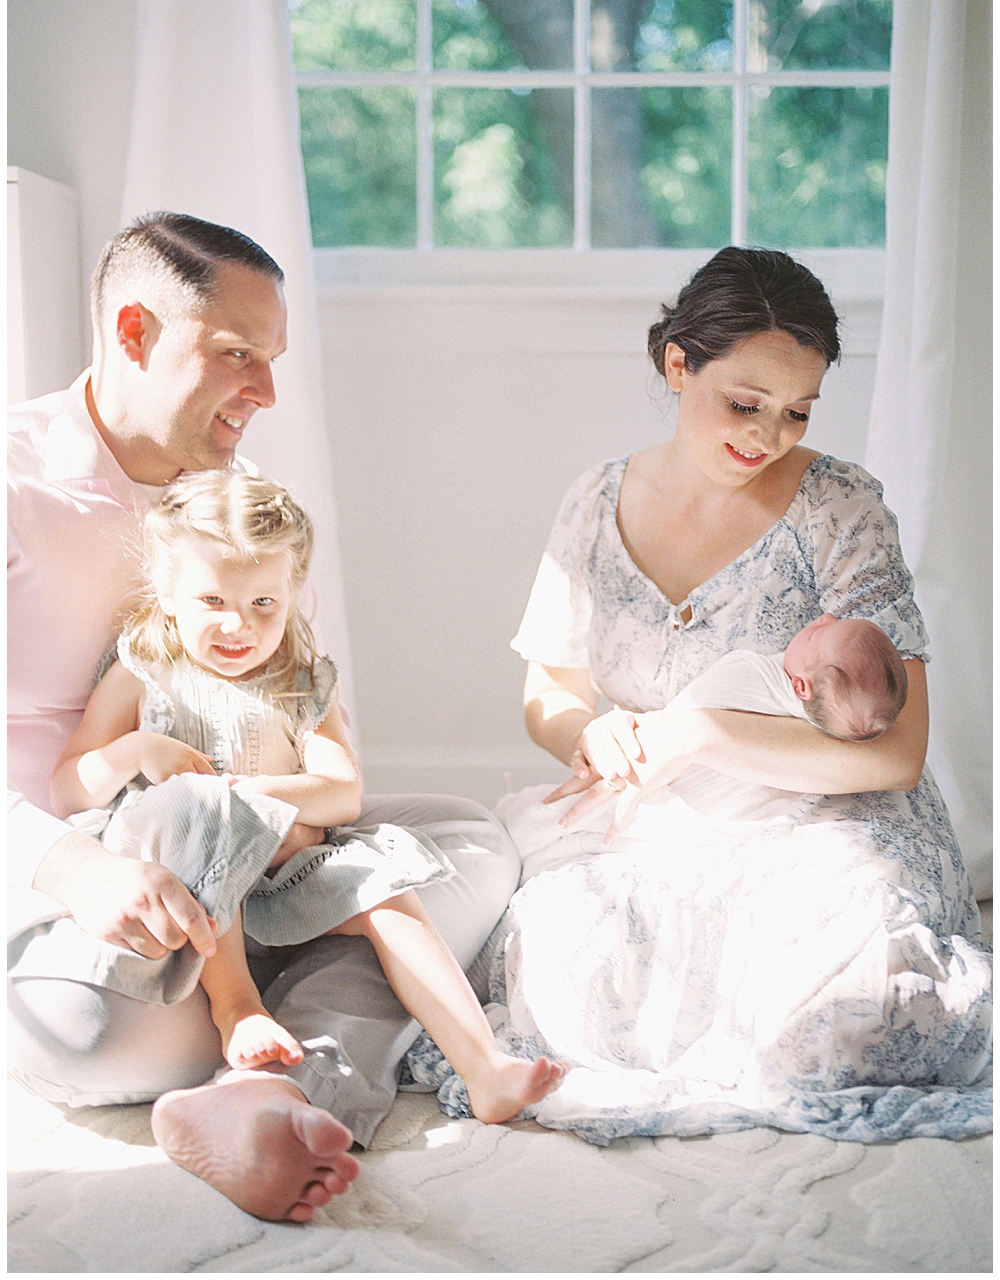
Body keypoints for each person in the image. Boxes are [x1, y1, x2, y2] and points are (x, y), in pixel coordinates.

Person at [8, 212, 520, 1222]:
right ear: (135, 331)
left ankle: (267, 1081)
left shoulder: (242, 517)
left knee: (472, 842)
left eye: (274, 360)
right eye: (238, 354)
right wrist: (76, 866)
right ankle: (281, 1024)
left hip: (252, 865)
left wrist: (284, 812)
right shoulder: (12, 485)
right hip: (73, 904)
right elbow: (80, 788)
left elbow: (304, 727)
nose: (267, 392)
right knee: (84, 1028)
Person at [493, 247, 990, 1142]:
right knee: (564, 950)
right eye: (744, 403)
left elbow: (896, 751)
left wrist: (706, 733)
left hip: (830, 818)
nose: (767, 436)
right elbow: (547, 690)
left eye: (796, 411)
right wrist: (592, 732)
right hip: (661, 820)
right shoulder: (592, 503)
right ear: (678, 363)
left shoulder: (842, 509)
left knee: (862, 980)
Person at [48, 470, 566, 1122]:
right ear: (168, 591)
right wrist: (137, 753)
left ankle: (483, 1064)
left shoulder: (298, 679)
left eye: (264, 603)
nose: (239, 624)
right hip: (182, 883)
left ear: (293, 594)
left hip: (276, 880)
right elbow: (70, 787)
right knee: (208, 812)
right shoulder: (143, 668)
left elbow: (341, 793)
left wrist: (255, 805)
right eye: (213, 600)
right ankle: (238, 1006)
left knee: (386, 883)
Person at [498, 612, 909, 884]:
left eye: (820, 632)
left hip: (683, 807)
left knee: (557, 824)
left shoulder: (749, 673)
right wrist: (591, 736)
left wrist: (669, 737)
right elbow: (551, 694)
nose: (822, 617)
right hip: (679, 806)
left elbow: (680, 723)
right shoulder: (832, 725)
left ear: (801, 687)